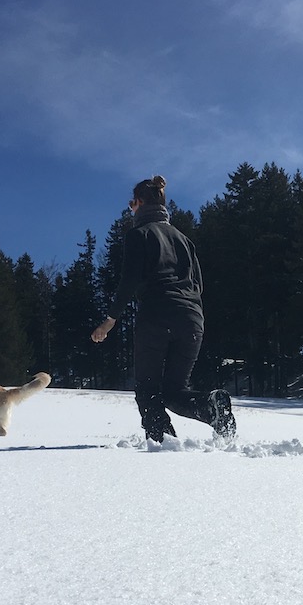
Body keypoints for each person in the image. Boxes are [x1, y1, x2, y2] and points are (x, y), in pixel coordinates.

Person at [91, 175, 236, 443]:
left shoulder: (138, 235)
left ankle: (162, 445)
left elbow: (129, 281)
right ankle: (211, 408)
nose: (130, 208)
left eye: (131, 203)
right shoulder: (184, 239)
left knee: (147, 390)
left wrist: (110, 320)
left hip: (156, 316)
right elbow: (199, 285)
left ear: (140, 203)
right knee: (174, 391)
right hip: (192, 319)